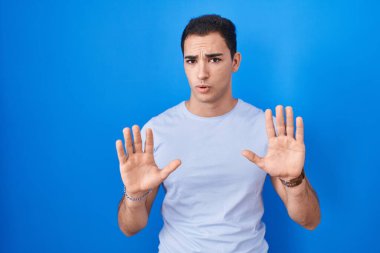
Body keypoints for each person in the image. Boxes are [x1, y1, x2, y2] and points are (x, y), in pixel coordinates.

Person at [116, 14, 320, 253]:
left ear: (235, 61)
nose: (201, 73)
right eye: (191, 61)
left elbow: (310, 220)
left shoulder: (267, 129)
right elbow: (130, 228)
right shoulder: (156, 132)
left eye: (213, 59)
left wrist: (295, 181)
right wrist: (134, 195)